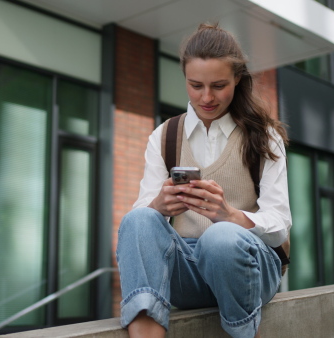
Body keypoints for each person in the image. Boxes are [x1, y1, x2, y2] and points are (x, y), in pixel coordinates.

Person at [116, 23, 291, 338]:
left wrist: (231, 216)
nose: (207, 97)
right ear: (184, 77)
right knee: (138, 218)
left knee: (220, 238)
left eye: (219, 85)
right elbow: (143, 228)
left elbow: (279, 225)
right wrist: (159, 205)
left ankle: (245, 333)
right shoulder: (165, 136)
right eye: (196, 85)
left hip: (247, 266)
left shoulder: (265, 137)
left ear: (237, 79)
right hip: (188, 272)